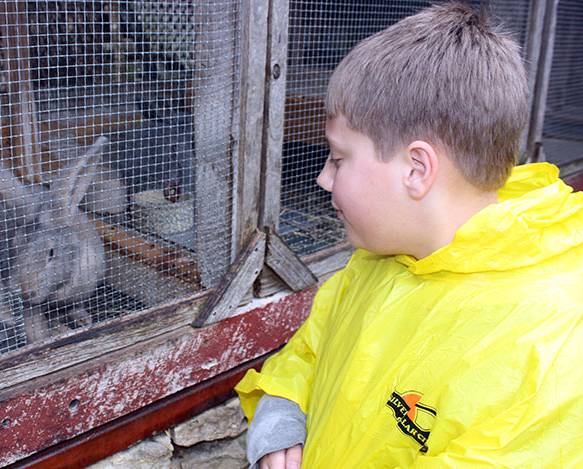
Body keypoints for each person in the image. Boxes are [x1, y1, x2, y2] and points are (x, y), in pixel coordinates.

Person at [235, 2, 583, 468]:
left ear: (417, 169)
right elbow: (311, 354)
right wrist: (280, 420)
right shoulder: (385, 256)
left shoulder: (548, 350)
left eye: (338, 158)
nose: (322, 178)